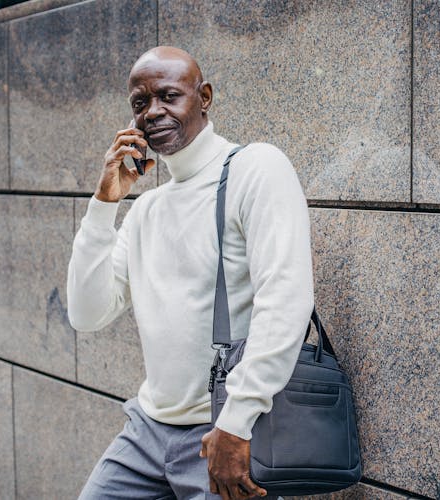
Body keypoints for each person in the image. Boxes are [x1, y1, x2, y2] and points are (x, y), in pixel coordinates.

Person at [67, 46, 314, 500]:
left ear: (204, 97)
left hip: (219, 432)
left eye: (168, 96)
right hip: (145, 431)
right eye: (140, 104)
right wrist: (105, 205)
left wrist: (236, 424)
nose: (153, 112)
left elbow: (287, 300)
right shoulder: (148, 209)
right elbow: (86, 313)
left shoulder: (254, 169)